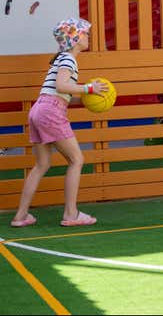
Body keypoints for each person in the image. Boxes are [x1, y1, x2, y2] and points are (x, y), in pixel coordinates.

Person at [10, 18, 107, 228]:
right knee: (76, 160)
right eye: (85, 33)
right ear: (75, 38)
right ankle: (71, 214)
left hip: (39, 110)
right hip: (51, 111)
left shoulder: (62, 59)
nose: (88, 36)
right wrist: (89, 89)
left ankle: (21, 215)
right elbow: (61, 85)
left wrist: (86, 99)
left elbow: (60, 92)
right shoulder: (69, 60)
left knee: (42, 164)